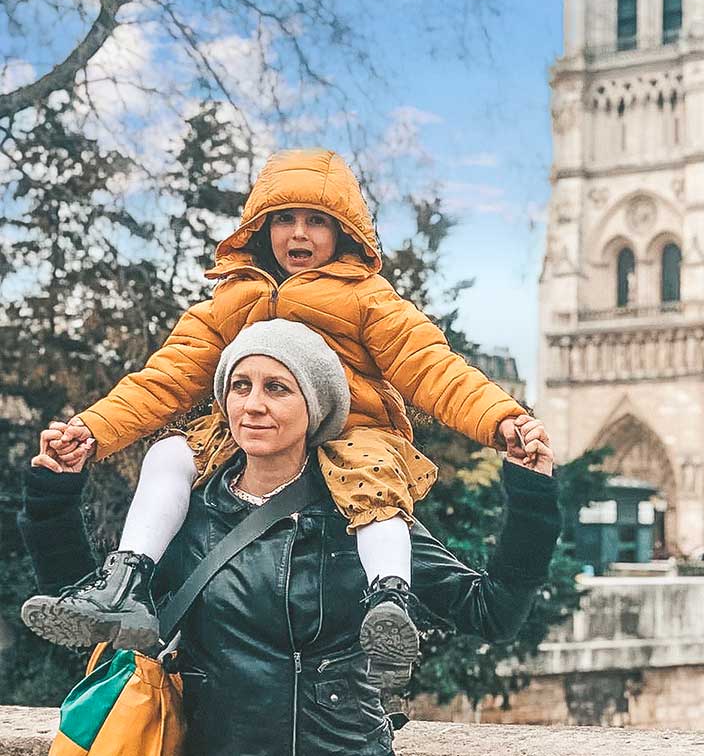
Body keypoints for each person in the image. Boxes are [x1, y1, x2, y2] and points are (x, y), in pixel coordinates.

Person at [31, 150, 545, 696]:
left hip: (357, 433)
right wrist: (90, 432)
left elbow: (432, 369)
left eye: (317, 220)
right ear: (260, 228)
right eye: (284, 219)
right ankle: (125, 580)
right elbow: (165, 377)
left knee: (375, 490)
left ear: (343, 232)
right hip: (221, 737)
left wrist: (503, 421)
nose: (299, 233)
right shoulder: (233, 299)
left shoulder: (366, 299)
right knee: (169, 454)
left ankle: (388, 600)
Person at [22, 321, 561, 755]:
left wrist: (531, 496)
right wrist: (54, 493)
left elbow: (493, 611)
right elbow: (85, 599)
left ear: (316, 407)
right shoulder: (189, 513)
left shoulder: (366, 518)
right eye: (240, 386)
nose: (252, 405)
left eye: (277, 388)